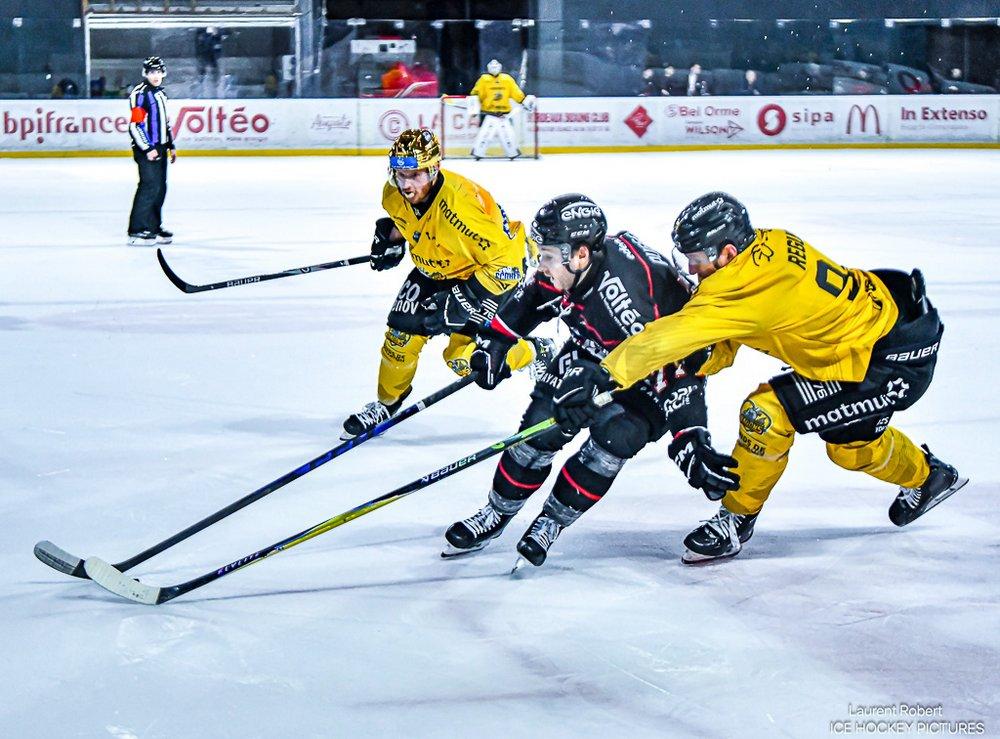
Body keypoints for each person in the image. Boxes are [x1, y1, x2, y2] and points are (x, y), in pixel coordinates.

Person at [553, 192, 968, 563]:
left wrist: (605, 374)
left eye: (696, 260)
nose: (693, 271)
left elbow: (667, 337)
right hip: (891, 330)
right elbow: (737, 328)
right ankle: (931, 477)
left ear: (727, 252)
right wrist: (703, 358)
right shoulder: (768, 247)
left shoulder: (741, 290)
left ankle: (735, 519)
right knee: (851, 450)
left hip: (885, 363)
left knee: (764, 415)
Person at [443, 194, 734, 567]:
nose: (541, 264)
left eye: (547, 256)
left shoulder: (631, 301)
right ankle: (496, 513)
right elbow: (535, 295)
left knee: (616, 439)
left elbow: (680, 369)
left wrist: (689, 436)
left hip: (651, 382)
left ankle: (551, 522)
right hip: (593, 353)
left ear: (580, 255)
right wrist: (498, 340)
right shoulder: (576, 265)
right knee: (539, 428)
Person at [340, 128, 548, 439]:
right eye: (400, 174)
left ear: (434, 169)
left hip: (490, 276)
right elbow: (407, 220)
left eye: (415, 175)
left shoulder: (461, 208)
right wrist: (391, 239)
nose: (406, 184)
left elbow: (508, 264)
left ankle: (533, 351)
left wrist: (464, 299)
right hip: (436, 270)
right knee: (399, 337)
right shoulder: (392, 194)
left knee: (464, 360)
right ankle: (386, 403)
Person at [127, 56, 176, 246]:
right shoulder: (140, 94)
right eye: (151, 72)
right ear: (145, 74)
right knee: (149, 187)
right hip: (146, 149)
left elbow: (165, 123)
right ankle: (136, 230)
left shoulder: (161, 94)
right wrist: (147, 148)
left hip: (161, 148)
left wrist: (170, 145)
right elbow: (135, 125)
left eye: (158, 72)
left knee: (160, 187)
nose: (155, 76)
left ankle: (154, 227)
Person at [467, 59, 535, 160]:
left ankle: (512, 153)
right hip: (490, 114)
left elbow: (516, 92)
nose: (494, 68)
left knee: (508, 136)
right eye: (492, 66)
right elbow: (476, 93)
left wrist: (523, 100)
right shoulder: (484, 80)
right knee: (485, 136)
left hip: (504, 115)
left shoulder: (507, 79)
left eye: (496, 66)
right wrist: (474, 107)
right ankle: (478, 152)